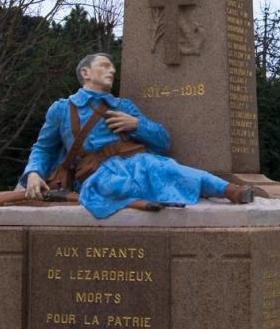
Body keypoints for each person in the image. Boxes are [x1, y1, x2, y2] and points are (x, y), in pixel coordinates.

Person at [21, 53, 254, 218]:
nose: (112, 70)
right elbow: (43, 148)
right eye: (104, 65)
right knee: (115, 186)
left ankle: (229, 191)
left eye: (112, 67)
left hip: (138, 162)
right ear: (86, 73)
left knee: (171, 169)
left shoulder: (124, 106)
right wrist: (33, 173)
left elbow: (163, 141)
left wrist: (136, 125)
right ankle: (142, 200)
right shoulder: (62, 109)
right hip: (96, 173)